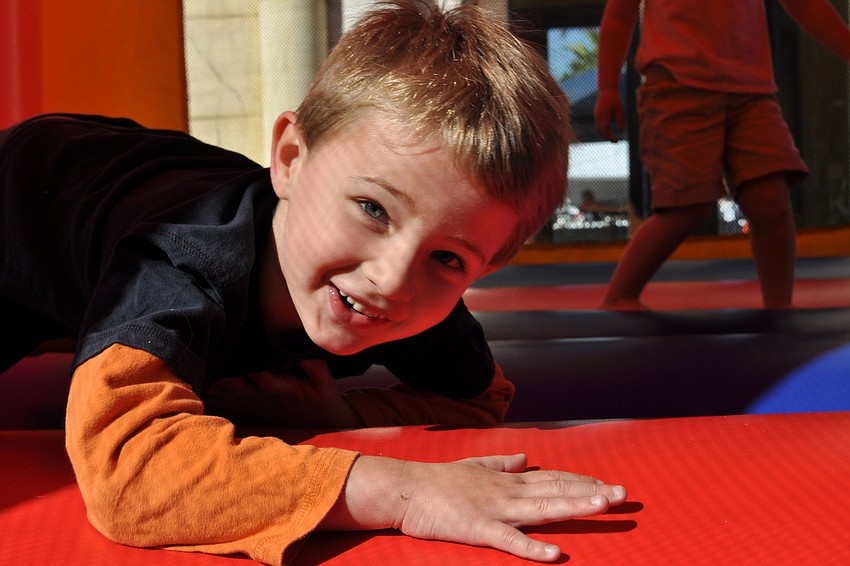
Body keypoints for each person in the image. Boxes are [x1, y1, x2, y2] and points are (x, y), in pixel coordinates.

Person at [0, 1, 626, 564]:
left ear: (485, 266)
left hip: (122, 188)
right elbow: (126, 473)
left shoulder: (411, 307)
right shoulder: (179, 264)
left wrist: (342, 412)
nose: (391, 278)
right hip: (23, 200)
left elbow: (480, 400)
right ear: (291, 160)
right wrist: (403, 489)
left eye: (449, 260)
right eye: (373, 209)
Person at [595, 0, 850, 310]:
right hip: (677, 85)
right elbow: (620, 15)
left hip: (751, 91)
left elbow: (806, 5)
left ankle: (779, 308)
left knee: (771, 202)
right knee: (686, 206)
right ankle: (620, 294)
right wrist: (607, 87)